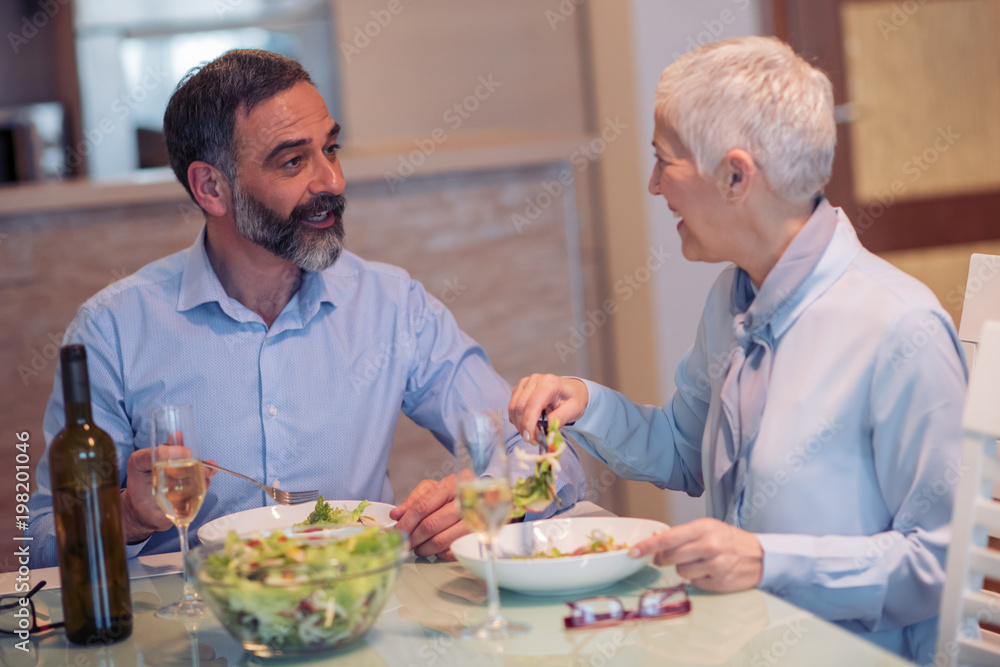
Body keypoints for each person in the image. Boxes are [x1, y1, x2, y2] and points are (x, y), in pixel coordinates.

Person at [29, 49, 584, 567]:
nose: (334, 182)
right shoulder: (113, 329)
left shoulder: (392, 306)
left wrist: (494, 496)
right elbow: (41, 539)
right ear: (211, 188)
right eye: (293, 162)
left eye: (331, 150)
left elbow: (549, 459)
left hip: (361, 613)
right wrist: (125, 515)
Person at [509, 36, 965, 664]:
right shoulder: (732, 299)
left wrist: (766, 560)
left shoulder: (899, 327)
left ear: (734, 175)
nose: (651, 185)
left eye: (662, 161)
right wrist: (586, 404)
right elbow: (683, 452)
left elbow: (941, 564)